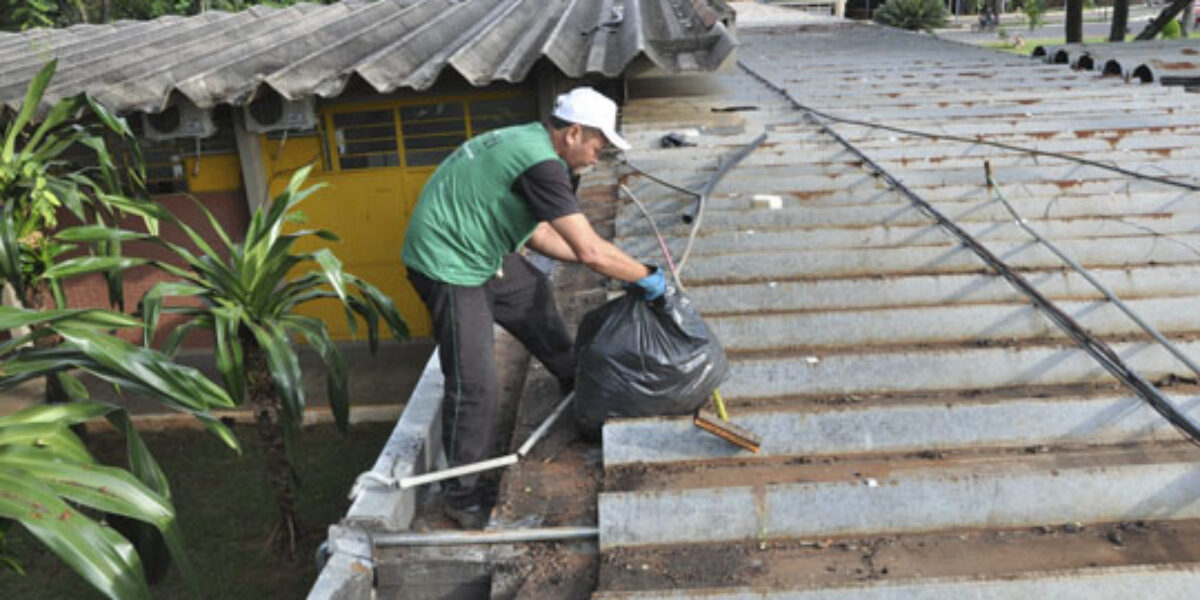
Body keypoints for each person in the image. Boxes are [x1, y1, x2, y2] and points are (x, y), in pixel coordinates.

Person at [401, 87, 666, 529]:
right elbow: (590, 252)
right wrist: (645, 276)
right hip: (447, 263)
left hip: (482, 252)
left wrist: (623, 269)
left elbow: (541, 235)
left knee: (535, 298)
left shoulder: (532, 142)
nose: (596, 159)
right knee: (476, 383)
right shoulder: (542, 164)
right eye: (597, 147)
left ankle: (579, 389)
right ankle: (462, 495)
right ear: (574, 133)